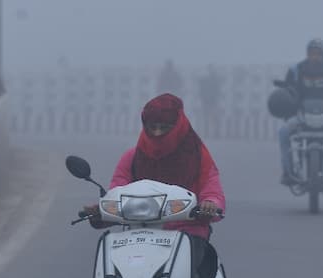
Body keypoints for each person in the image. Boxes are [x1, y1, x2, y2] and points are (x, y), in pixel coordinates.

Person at [83, 93, 224, 240]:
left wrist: (210, 204)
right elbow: (118, 195)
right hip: (137, 237)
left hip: (188, 236)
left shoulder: (198, 158)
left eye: (164, 128)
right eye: (153, 127)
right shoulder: (131, 158)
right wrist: (101, 211)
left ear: (179, 127)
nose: (157, 133)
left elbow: (212, 191)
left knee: (207, 261)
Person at [278, 38, 323, 187]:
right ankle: (287, 171)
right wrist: (285, 102)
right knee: (283, 132)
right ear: (307, 54)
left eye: (318, 53)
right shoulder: (296, 70)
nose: (315, 56)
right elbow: (287, 92)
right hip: (300, 116)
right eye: (312, 53)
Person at [198, 65, 224, 138]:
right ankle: (215, 133)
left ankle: (207, 133)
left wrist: (202, 97)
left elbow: (201, 90)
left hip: (207, 101)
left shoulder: (204, 80)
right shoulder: (215, 80)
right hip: (212, 101)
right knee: (214, 118)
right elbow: (218, 90)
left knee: (207, 117)